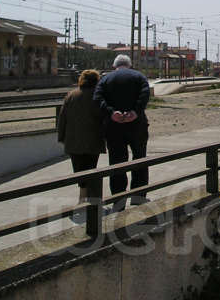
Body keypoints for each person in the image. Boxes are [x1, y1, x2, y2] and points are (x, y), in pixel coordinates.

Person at [94, 54, 151, 212]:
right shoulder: (139, 77)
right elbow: (145, 95)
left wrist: (112, 112)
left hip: (114, 127)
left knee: (117, 163)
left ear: (114, 66)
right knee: (139, 159)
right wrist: (135, 111)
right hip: (137, 125)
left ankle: (118, 201)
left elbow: (97, 98)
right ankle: (138, 198)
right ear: (130, 65)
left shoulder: (105, 79)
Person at [57, 69, 105, 204]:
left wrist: (61, 137)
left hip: (73, 140)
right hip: (93, 139)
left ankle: (82, 197)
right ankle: (88, 197)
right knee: (91, 167)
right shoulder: (98, 96)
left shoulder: (71, 95)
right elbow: (102, 117)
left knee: (78, 169)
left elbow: (62, 118)